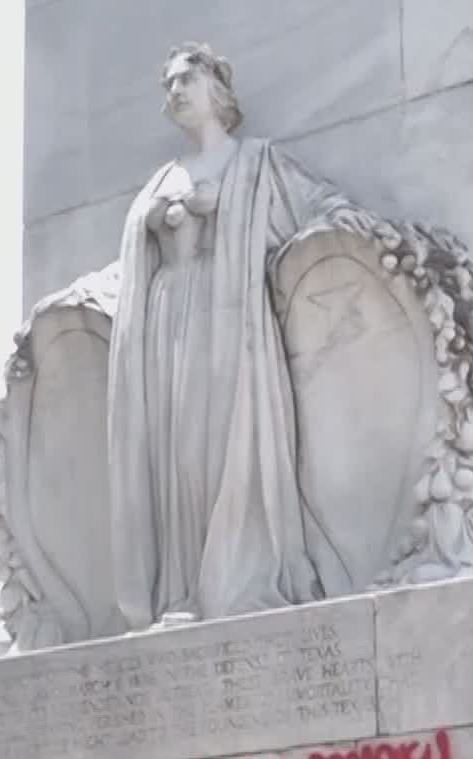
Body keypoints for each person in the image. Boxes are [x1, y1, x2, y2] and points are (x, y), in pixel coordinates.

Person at [106, 42, 360, 630]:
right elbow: (133, 263)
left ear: (216, 88)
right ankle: (183, 587)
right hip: (167, 321)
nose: (173, 93)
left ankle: (228, 580)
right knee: (174, 455)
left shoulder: (254, 161)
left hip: (226, 320)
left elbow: (320, 204)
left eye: (184, 80)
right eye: (167, 84)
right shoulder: (160, 180)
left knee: (217, 444)